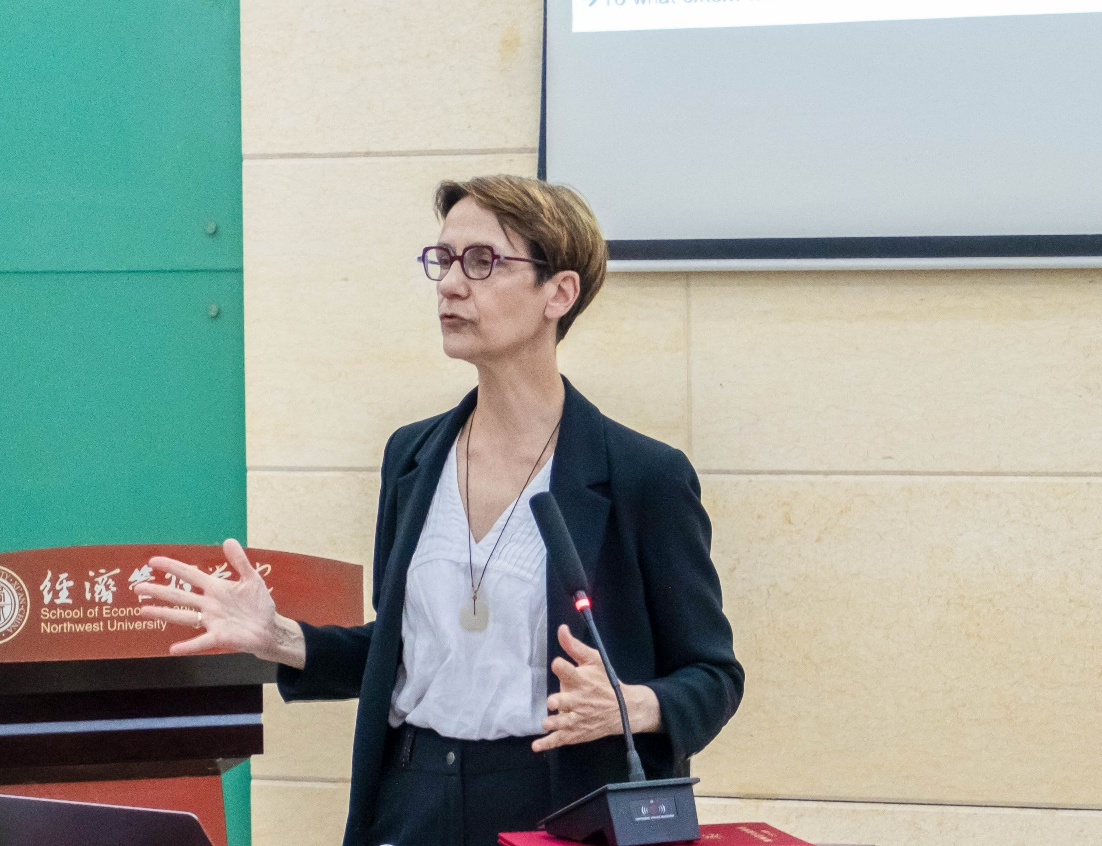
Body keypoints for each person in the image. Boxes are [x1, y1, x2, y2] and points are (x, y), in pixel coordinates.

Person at [133, 175, 744, 846]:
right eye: (443, 260)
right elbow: (405, 651)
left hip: (555, 801)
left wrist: (633, 706)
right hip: (411, 795)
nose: (450, 284)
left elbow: (713, 677)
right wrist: (279, 638)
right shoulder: (412, 456)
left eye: (482, 262)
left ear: (558, 293)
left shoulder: (641, 476)